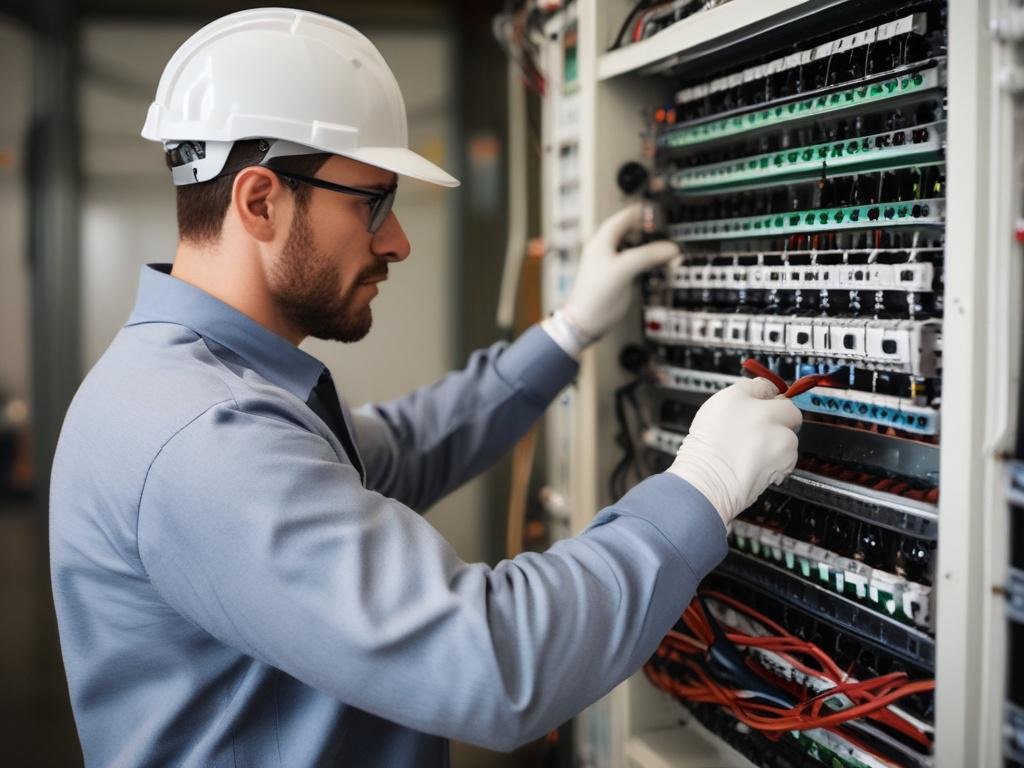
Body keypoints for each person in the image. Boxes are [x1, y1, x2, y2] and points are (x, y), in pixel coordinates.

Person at [49, 8, 802, 767]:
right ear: (260, 201)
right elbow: (498, 663)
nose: (397, 240)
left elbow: (402, 448)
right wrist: (699, 489)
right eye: (369, 202)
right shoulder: (203, 438)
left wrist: (567, 331)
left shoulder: (197, 381)